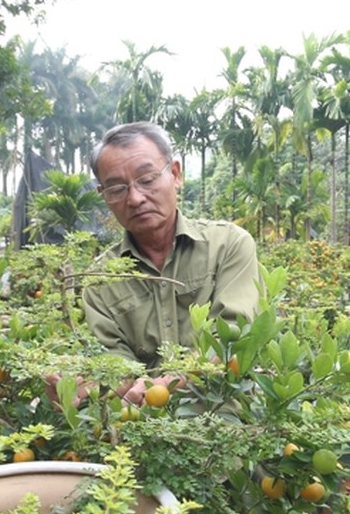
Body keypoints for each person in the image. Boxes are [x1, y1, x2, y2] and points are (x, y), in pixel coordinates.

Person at [81, 121, 261, 403]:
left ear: (175, 174)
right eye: (117, 188)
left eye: (147, 179)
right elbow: (114, 363)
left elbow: (231, 341)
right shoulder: (100, 280)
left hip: (229, 426)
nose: (136, 198)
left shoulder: (229, 245)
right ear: (104, 196)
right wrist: (83, 388)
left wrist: (165, 383)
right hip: (141, 433)